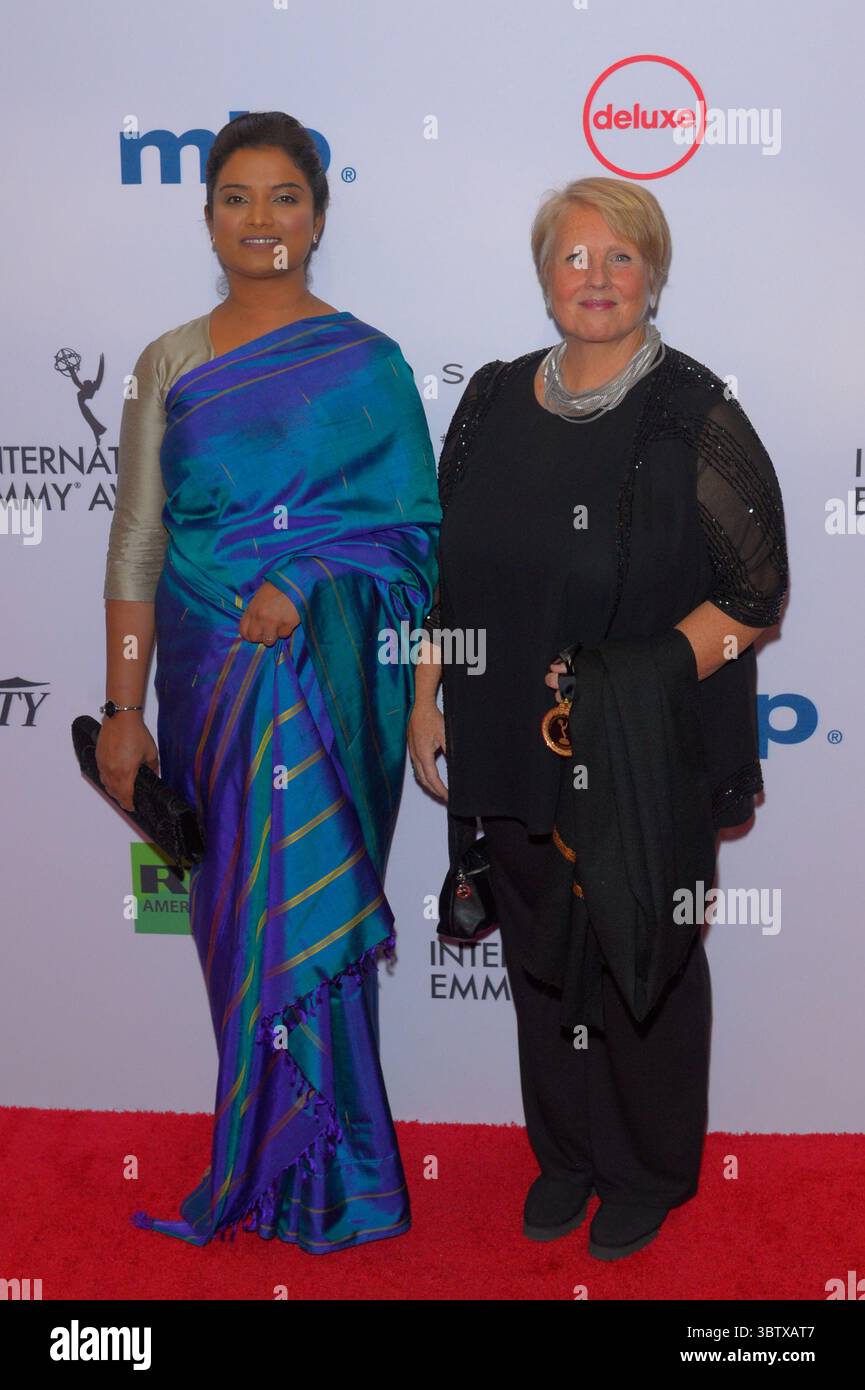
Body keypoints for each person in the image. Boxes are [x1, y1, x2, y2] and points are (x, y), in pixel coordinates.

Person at [408, 176, 788, 1261]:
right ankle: (567, 1153)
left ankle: (647, 1168)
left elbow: (755, 596)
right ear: (543, 277)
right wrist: (428, 691)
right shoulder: (485, 400)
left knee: (642, 952)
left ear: (653, 274)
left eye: (620, 258)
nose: (596, 279)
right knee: (540, 957)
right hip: (505, 741)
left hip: (640, 752)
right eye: (574, 258)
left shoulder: (694, 412)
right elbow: (451, 572)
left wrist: (635, 679)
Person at [98, 111, 441, 1252]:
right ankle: (260, 1155)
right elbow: (137, 546)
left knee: (313, 924)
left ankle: (338, 1179)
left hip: (322, 693)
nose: (261, 219)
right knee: (238, 930)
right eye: (236, 197)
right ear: (205, 217)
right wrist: (124, 709)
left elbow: (411, 542)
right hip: (207, 696)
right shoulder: (167, 362)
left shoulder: (371, 364)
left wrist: (305, 575)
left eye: (284, 196)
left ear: (320, 215)